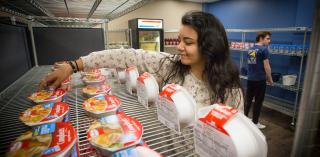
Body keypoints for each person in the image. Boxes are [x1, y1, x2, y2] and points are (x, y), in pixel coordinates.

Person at [40, 11, 244, 112]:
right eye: (180, 40)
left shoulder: (229, 90)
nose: (179, 47)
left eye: (188, 42)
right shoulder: (170, 65)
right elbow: (126, 55)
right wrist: (74, 65)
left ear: (209, 46)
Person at [244, 31, 273, 129]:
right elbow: (267, 66)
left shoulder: (251, 49)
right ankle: (255, 122)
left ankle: (244, 119)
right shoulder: (264, 49)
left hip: (250, 79)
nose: (269, 41)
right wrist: (270, 79)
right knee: (258, 101)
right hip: (260, 80)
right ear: (261, 38)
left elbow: (252, 64)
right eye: (268, 38)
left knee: (248, 100)